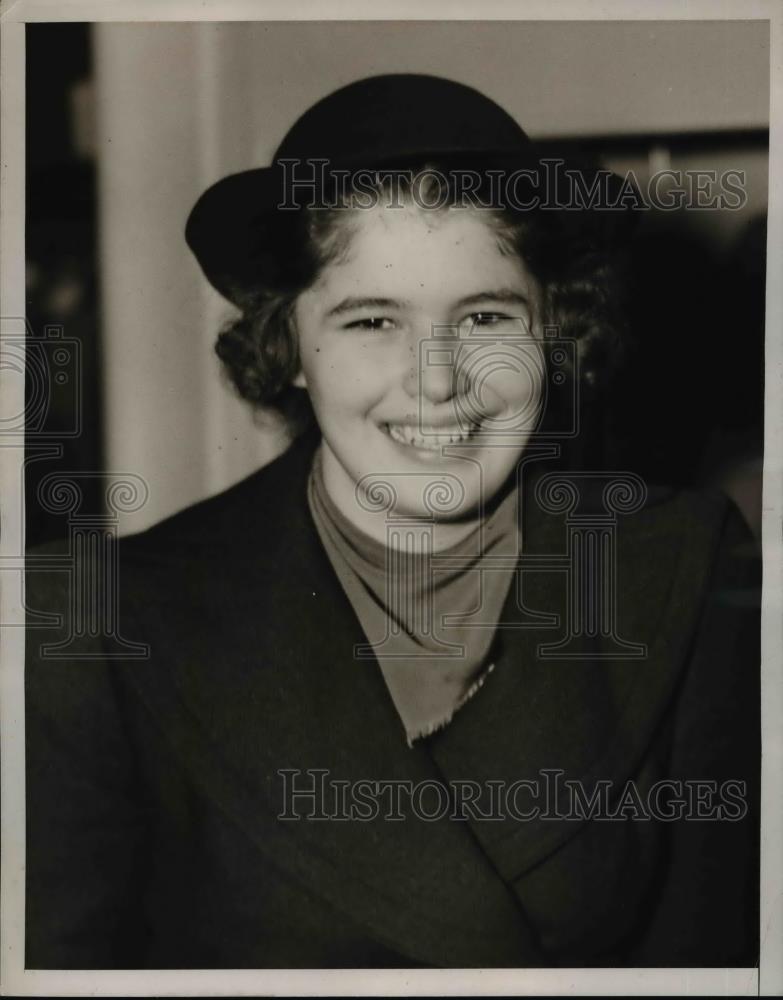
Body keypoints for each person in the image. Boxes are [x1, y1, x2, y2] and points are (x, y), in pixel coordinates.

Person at [25, 74, 760, 969]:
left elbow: (713, 961)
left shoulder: (681, 566)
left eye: (486, 316)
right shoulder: (98, 623)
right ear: (288, 346)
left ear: (550, 334)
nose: (439, 380)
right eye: (372, 319)